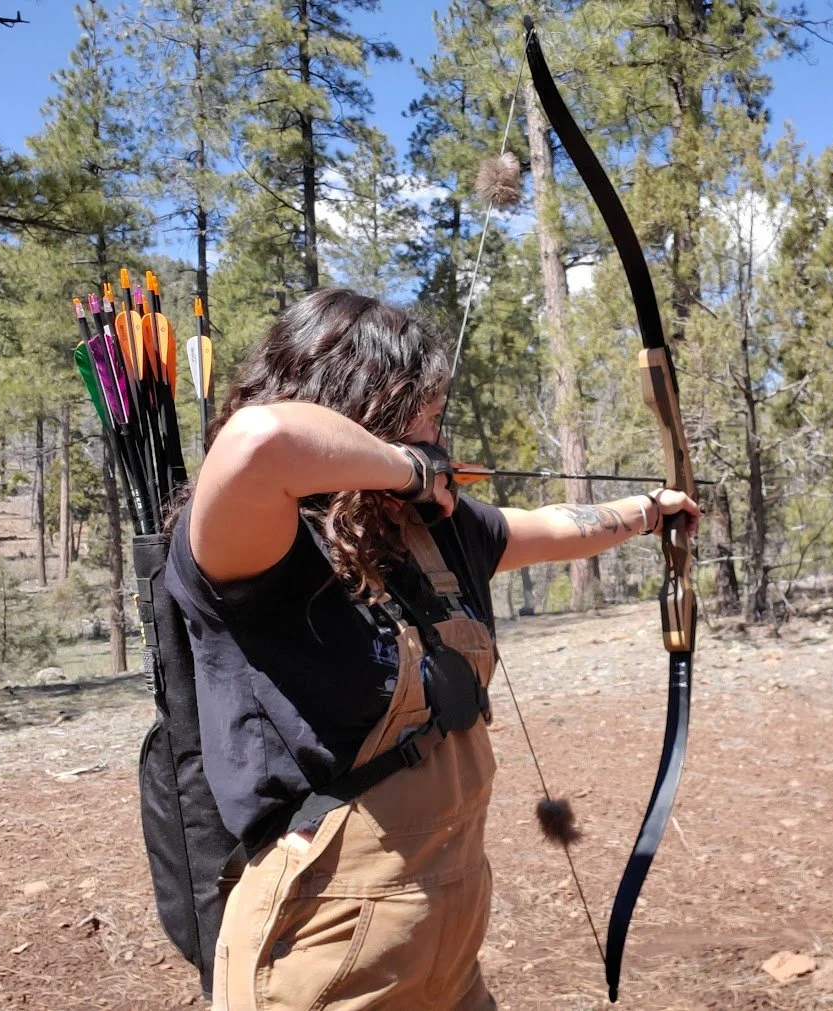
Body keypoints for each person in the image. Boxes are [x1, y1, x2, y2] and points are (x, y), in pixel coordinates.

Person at [165, 287, 700, 1010]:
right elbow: (260, 442)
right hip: (324, 949)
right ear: (363, 402)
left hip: (444, 946)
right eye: (424, 410)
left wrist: (648, 511)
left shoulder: (434, 529)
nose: (436, 430)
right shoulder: (260, 535)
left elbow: (554, 526)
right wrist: (408, 467)